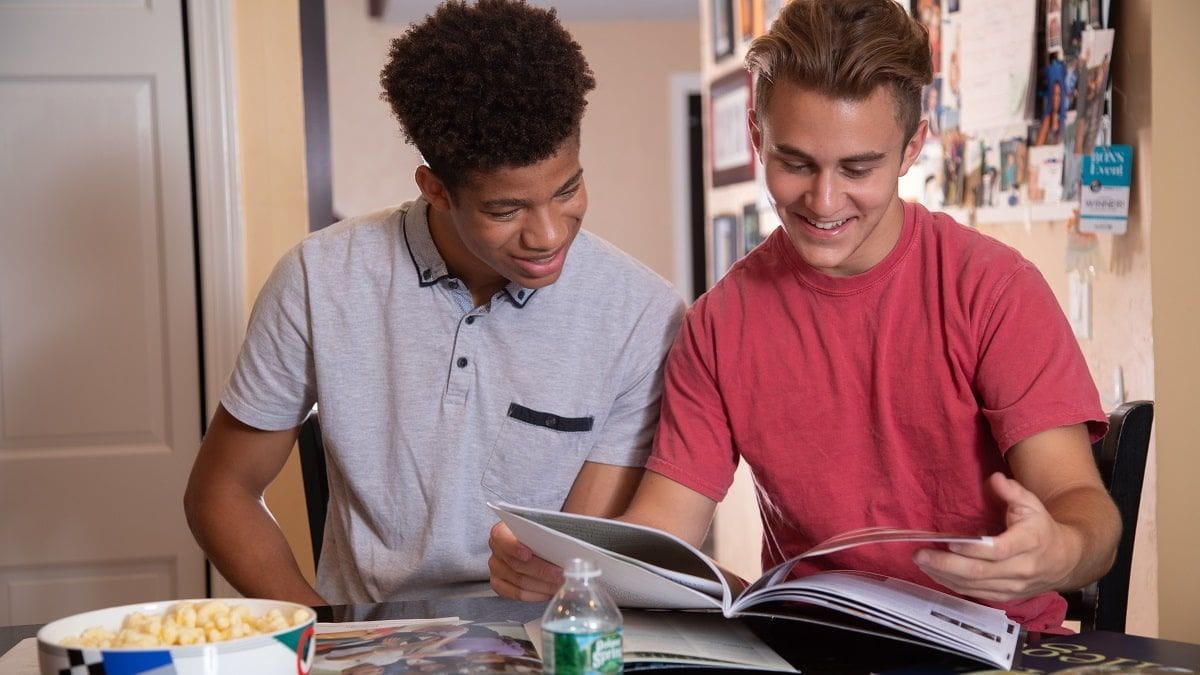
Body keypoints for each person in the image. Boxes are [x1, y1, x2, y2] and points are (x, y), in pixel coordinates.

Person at [489, 0, 1120, 634]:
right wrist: (571, 563)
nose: (822, 201)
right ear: (757, 138)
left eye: (857, 168)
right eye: (795, 163)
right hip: (817, 644)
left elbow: (1084, 510)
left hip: (995, 644)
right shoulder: (718, 324)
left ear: (911, 149)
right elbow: (667, 530)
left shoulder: (993, 290)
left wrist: (1055, 552)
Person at [184, 0, 684, 606]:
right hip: (367, 645)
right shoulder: (319, 280)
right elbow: (222, 493)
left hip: (537, 639)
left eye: (568, 189)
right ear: (435, 190)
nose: (549, 234)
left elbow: (563, 570)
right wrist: (325, 640)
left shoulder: (642, 316)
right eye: (506, 210)